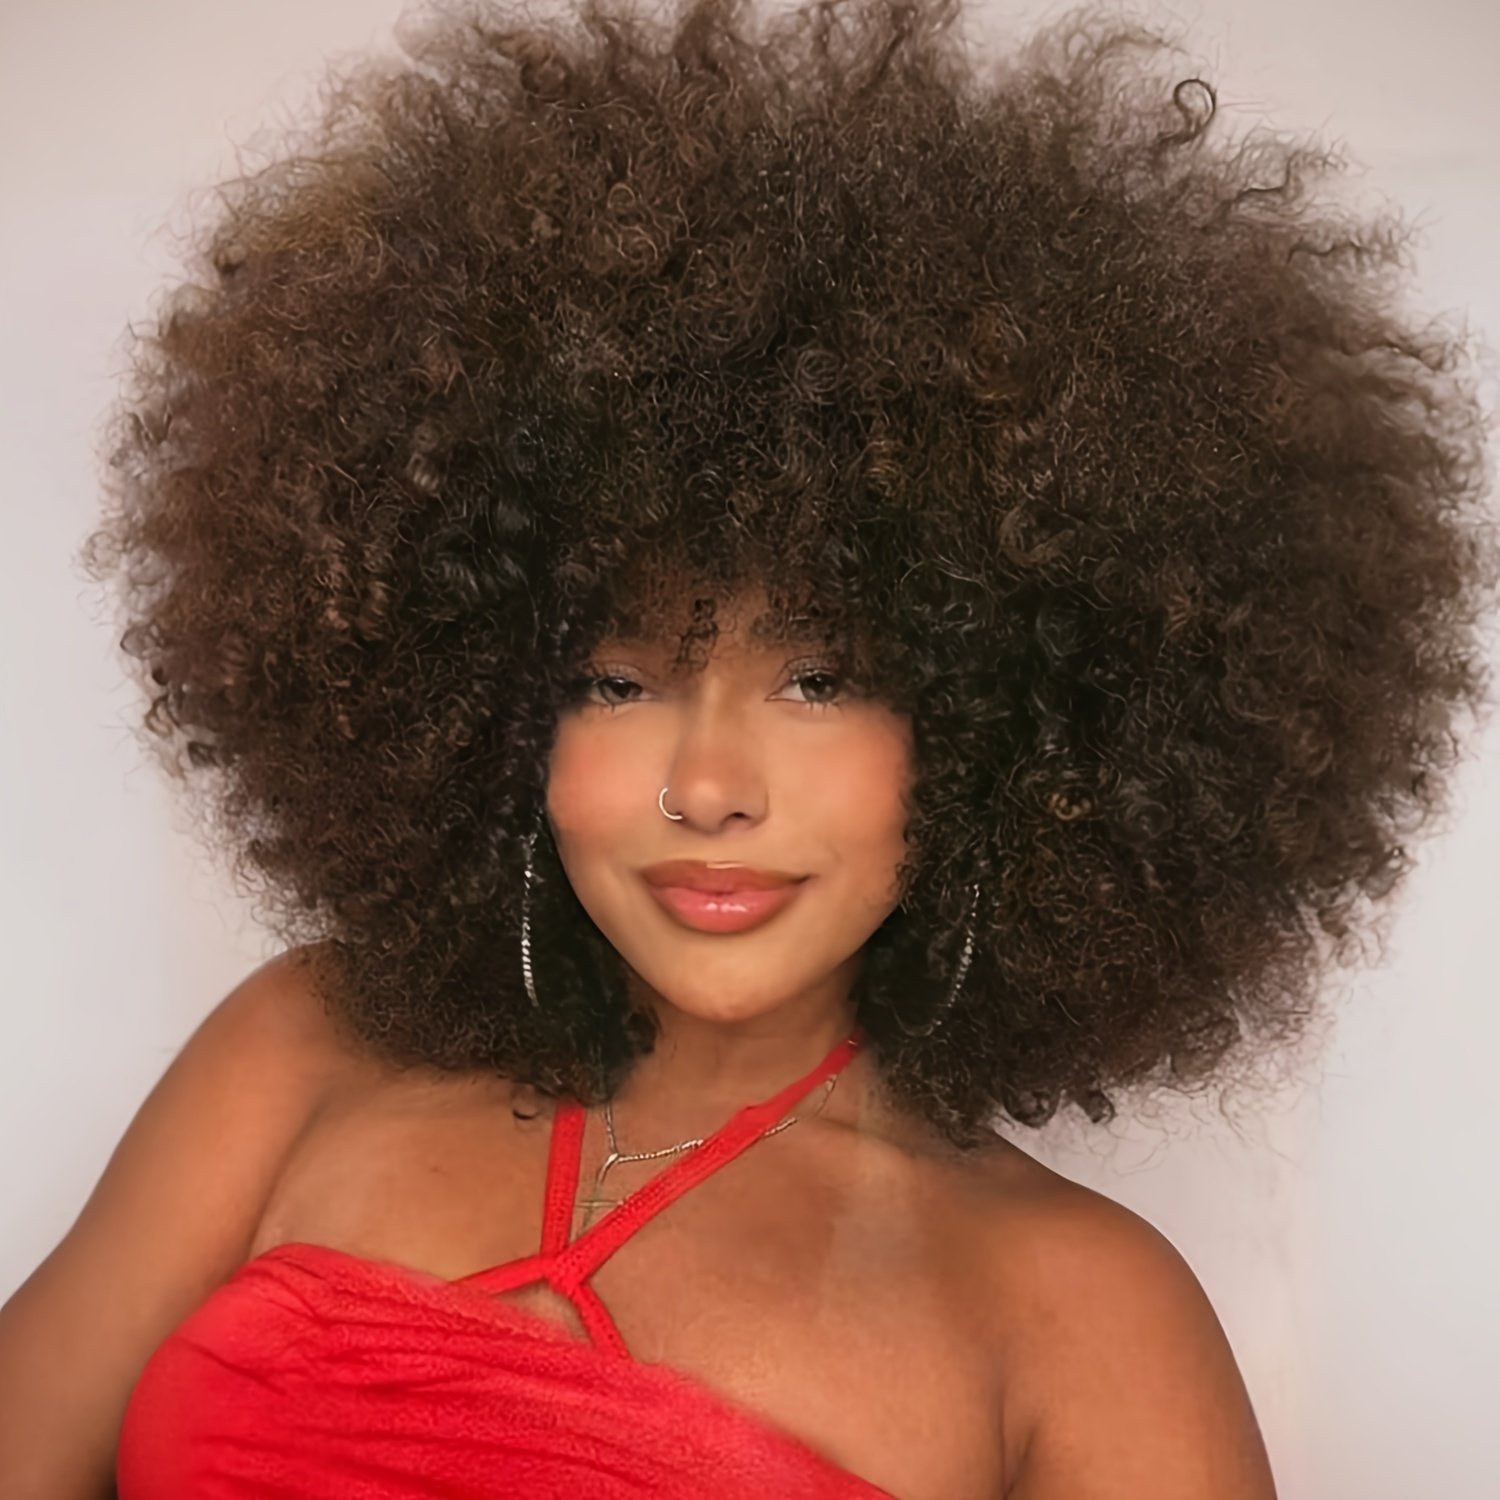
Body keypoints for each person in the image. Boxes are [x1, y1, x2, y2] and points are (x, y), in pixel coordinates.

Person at [2, 0, 1495, 1494]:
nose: (708, 788)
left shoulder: (1080, 1316)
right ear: (485, 709)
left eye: (819, 678)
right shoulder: (301, 1051)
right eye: (615, 680)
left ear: (1009, 730)